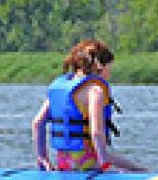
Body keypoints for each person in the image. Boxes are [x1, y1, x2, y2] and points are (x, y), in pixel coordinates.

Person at [31, 39, 146, 172]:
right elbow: (96, 132)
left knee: (133, 167)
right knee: (141, 171)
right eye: (110, 67)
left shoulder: (61, 88)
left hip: (64, 161)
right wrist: (103, 162)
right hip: (90, 161)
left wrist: (42, 157)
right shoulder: (95, 91)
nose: (110, 73)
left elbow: (37, 123)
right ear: (99, 66)